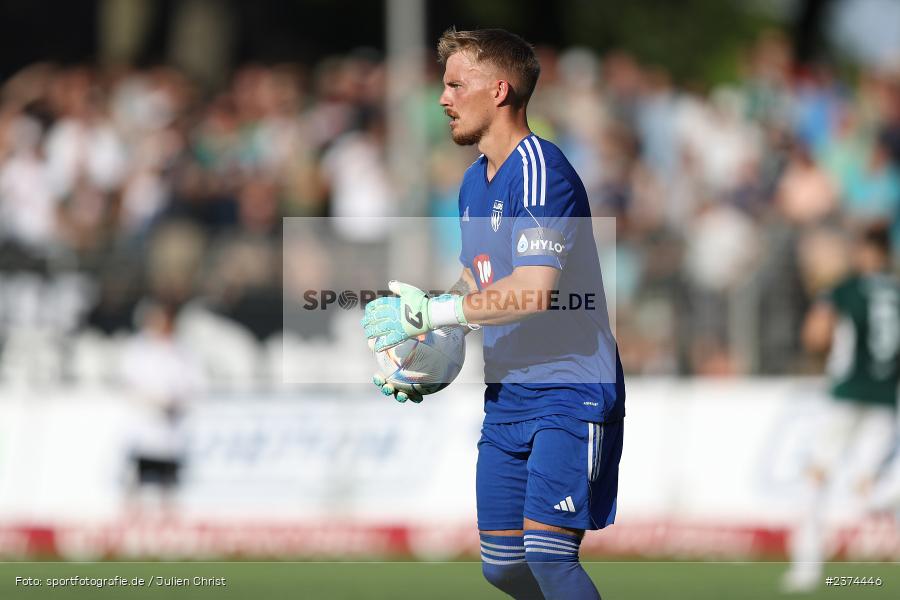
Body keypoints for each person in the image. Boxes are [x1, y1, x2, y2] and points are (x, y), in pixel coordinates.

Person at [362, 28, 625, 599]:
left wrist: (430, 316)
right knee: (503, 566)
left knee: (551, 558)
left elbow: (532, 292)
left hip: (569, 386)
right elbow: (476, 281)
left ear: (500, 90)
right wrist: (430, 344)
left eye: (456, 84)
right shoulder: (469, 183)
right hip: (508, 394)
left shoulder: (539, 168)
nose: (442, 98)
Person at [782, 224, 900, 592]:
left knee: (817, 475)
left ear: (865, 251)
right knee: (865, 483)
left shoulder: (846, 289)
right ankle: (884, 492)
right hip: (886, 395)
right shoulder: (895, 292)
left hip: (847, 393)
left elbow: (815, 336)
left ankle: (806, 566)